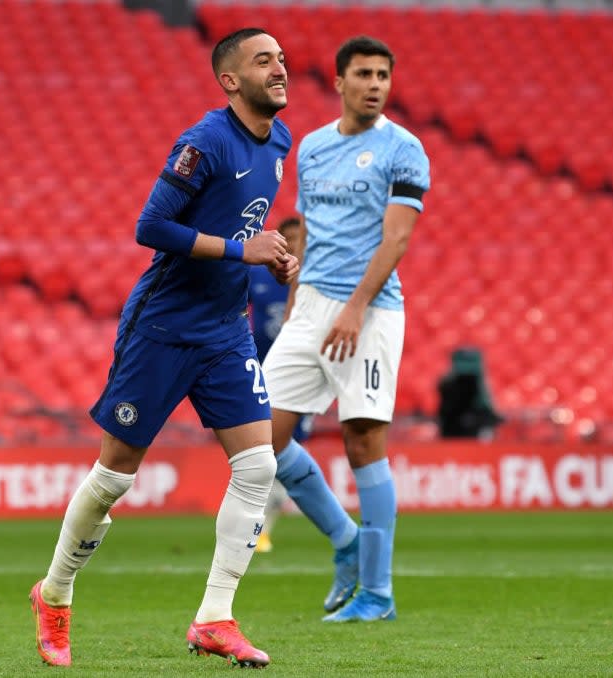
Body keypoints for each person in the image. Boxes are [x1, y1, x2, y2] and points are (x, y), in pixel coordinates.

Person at [29, 28, 296, 668]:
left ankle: (214, 617)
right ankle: (56, 593)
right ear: (230, 80)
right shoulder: (203, 142)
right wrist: (243, 249)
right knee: (115, 476)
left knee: (258, 467)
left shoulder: (280, 141)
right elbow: (151, 227)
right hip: (164, 325)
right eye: (264, 61)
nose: (279, 68)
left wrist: (270, 256)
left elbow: (240, 221)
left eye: (282, 59)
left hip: (226, 326)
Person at [262, 35, 431, 623]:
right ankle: (346, 540)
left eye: (384, 74)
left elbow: (397, 238)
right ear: (339, 82)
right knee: (260, 440)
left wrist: (356, 307)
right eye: (364, 74)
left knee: (363, 441)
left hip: (372, 311)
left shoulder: (404, 150)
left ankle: (377, 594)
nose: (376, 84)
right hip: (310, 307)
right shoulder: (310, 149)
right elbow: (310, 231)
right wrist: (294, 297)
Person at [247, 215, 313, 553]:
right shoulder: (259, 274)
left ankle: (262, 526)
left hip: (301, 376)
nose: (293, 245)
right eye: (288, 239)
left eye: (299, 238)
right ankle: (256, 526)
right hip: (260, 371)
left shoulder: (315, 280)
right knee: (264, 450)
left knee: (285, 450)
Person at [437, 347, 504, 439]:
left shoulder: (479, 387)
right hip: (454, 431)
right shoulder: (448, 385)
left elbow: (488, 413)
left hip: (472, 431)